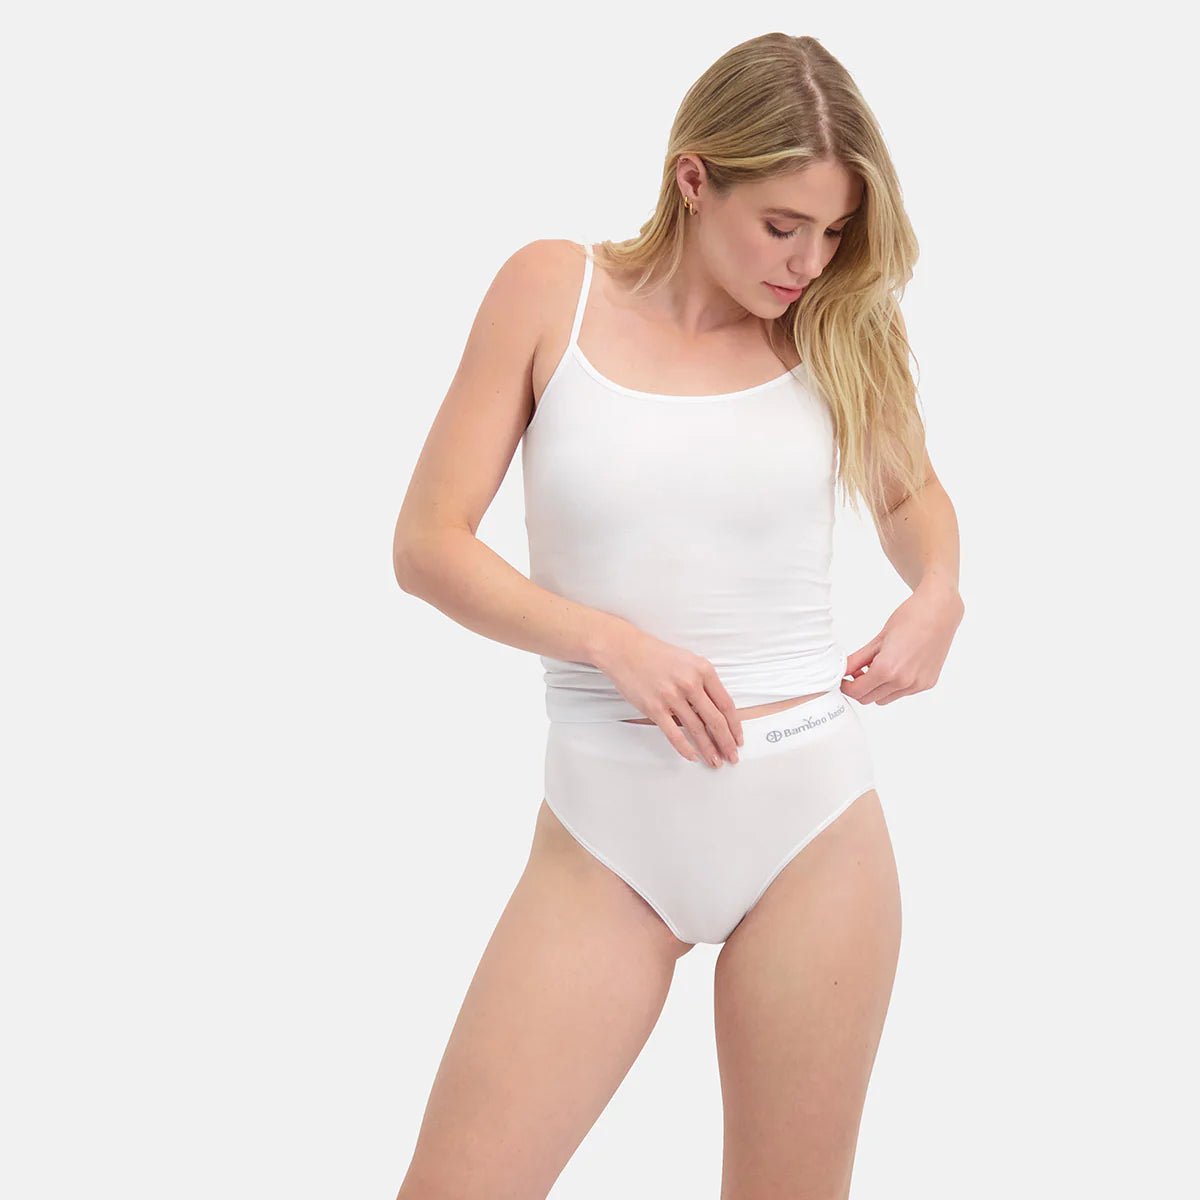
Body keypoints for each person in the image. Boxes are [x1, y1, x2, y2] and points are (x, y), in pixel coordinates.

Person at [391, 31, 964, 1200]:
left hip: (811, 821)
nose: (809, 260)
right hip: (604, 833)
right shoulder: (552, 292)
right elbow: (428, 544)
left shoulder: (837, 323)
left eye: (835, 232)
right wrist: (608, 640)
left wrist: (938, 592)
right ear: (694, 177)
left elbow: (910, 497)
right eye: (783, 225)